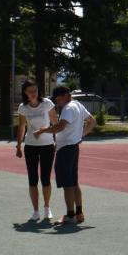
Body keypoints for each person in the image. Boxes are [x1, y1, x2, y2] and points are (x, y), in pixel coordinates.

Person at [37, 87, 94, 225]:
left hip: (66, 150)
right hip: (73, 147)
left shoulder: (68, 108)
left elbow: (60, 127)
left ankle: (70, 215)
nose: (57, 101)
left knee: (67, 184)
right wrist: (81, 135)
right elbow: (92, 121)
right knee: (73, 182)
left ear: (67, 95)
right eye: (56, 99)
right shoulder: (78, 105)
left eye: (59, 98)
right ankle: (79, 213)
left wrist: (43, 131)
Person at [15, 80, 57, 223]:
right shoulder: (23, 107)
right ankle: (35, 211)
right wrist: (18, 145)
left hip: (47, 145)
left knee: (45, 178)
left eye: (35, 90)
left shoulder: (47, 103)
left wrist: (57, 141)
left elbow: (56, 123)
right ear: (25, 93)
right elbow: (22, 127)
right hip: (30, 146)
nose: (33, 93)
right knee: (32, 179)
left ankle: (47, 207)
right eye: (30, 91)